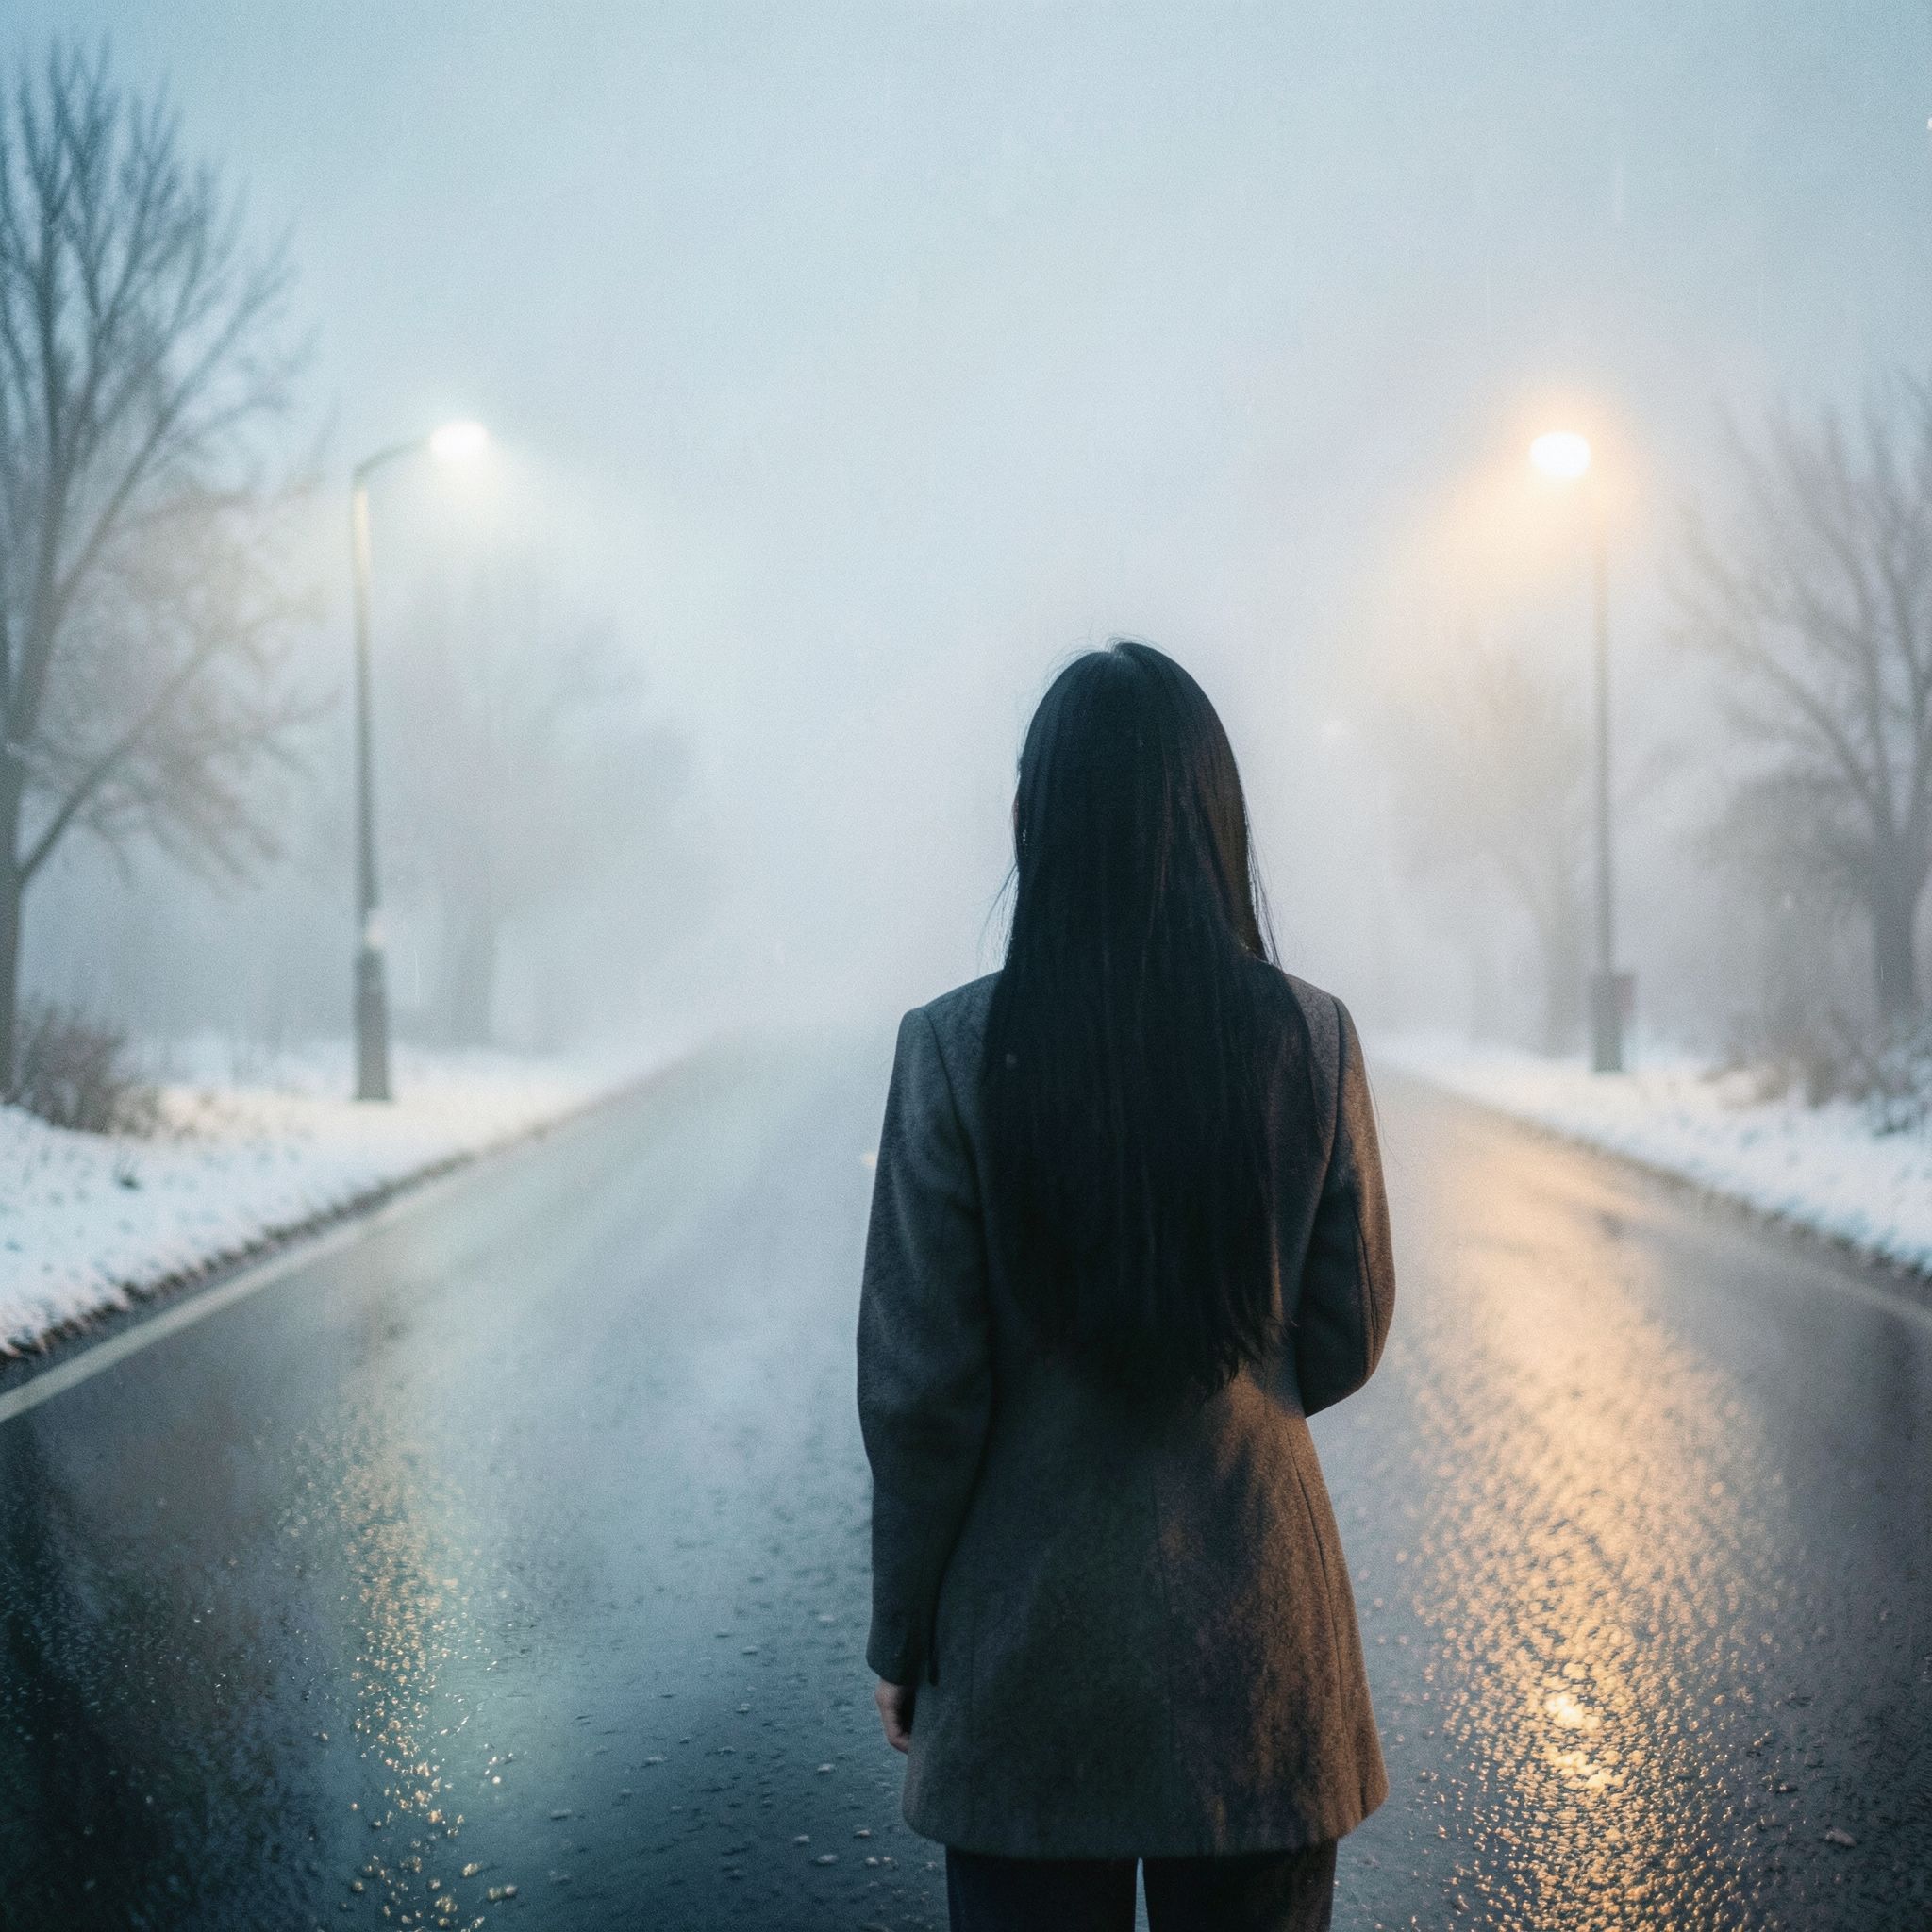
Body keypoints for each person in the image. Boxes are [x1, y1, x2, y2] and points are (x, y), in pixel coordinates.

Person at [857, 638, 1395, 1932]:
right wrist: (1235, 1375)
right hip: (1259, 1657)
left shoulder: (951, 1054)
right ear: (1219, 822)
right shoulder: (1307, 1040)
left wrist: (905, 1641)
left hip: (1027, 1664)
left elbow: (923, 1397)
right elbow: (1345, 1329)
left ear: (1033, 823)